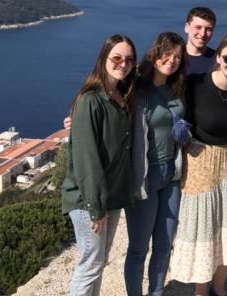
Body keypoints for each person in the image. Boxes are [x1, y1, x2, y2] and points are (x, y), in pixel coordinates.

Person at [169, 35, 227, 296]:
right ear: (218, 58)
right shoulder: (196, 84)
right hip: (199, 162)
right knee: (203, 230)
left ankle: (220, 285)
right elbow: (160, 94)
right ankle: (202, 290)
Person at [62, 34, 136, 296]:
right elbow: (86, 159)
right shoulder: (91, 100)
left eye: (128, 59)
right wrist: (95, 207)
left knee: (99, 261)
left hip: (111, 196)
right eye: (116, 58)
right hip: (89, 200)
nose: (122, 63)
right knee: (91, 264)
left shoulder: (121, 94)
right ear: (104, 58)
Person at [124, 32, 189, 296]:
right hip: (144, 177)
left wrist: (185, 132)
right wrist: (74, 117)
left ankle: (157, 292)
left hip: (171, 175)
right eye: (167, 53)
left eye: (177, 56)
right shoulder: (135, 87)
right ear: (155, 52)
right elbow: (105, 101)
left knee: (164, 245)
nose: (171, 60)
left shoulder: (177, 87)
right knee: (139, 249)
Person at [185, 6, 217, 75]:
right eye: (198, 27)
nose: (203, 34)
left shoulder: (218, 61)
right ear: (187, 27)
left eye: (208, 29)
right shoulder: (173, 59)